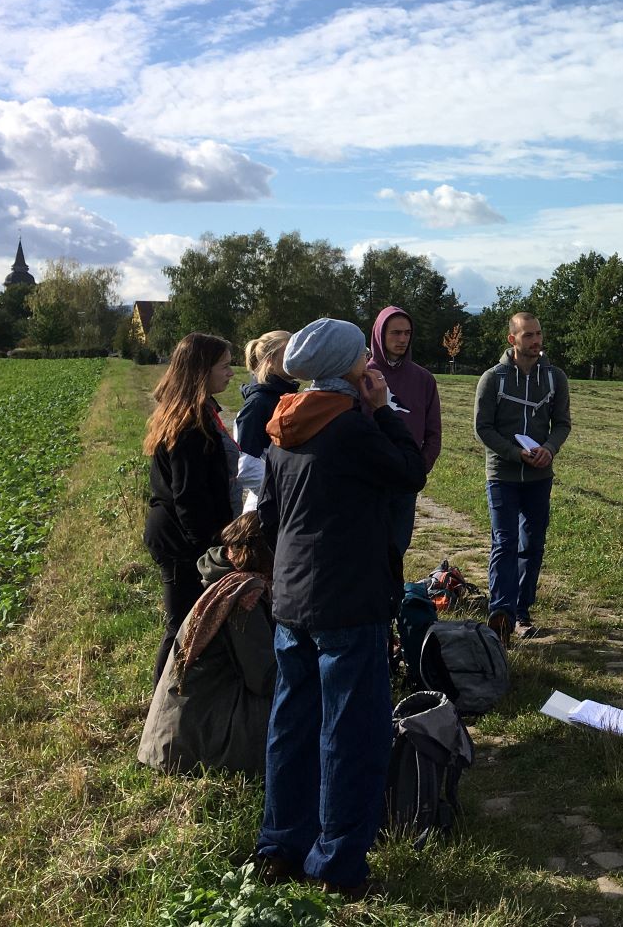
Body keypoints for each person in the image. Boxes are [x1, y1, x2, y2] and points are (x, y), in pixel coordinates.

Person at [251, 318, 429, 897]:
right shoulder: (350, 427)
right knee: (349, 732)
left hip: (292, 598)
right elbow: (409, 473)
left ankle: (280, 844)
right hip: (349, 600)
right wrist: (381, 411)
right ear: (347, 366)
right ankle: (337, 862)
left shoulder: (283, 425)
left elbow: (272, 517)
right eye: (361, 358)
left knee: (291, 723)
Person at [138, 510, 276, 775]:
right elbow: (264, 676)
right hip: (192, 739)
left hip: (181, 727)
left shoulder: (226, 576)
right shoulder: (244, 595)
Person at [143, 333, 238, 684]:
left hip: (180, 534)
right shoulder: (190, 425)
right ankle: (161, 704)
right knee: (181, 623)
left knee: (189, 619)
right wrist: (209, 550)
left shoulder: (194, 412)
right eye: (224, 366)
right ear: (201, 371)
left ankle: (186, 691)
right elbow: (188, 497)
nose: (230, 373)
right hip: (182, 541)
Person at [473, 312, 571, 644]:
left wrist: (549, 448)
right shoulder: (493, 379)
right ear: (512, 339)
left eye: (539, 334)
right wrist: (516, 454)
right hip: (503, 474)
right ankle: (500, 614)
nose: (536, 341)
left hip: (539, 475)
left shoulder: (555, 378)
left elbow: (562, 423)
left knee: (533, 543)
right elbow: (482, 428)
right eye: (528, 335)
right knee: (505, 542)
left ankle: (521, 613)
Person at [368, 305, 443, 596]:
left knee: (396, 551)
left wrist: (418, 468)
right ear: (380, 334)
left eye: (407, 333)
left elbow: (433, 433)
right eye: (395, 332)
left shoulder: (423, 379)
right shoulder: (364, 376)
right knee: (367, 552)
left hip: (405, 483)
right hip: (370, 483)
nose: (402, 339)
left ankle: (389, 616)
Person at [236, 330, 296, 511]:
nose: (297, 356)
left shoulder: (285, 394)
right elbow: (245, 467)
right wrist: (288, 489)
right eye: (289, 352)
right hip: (268, 508)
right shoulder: (257, 404)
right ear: (269, 361)